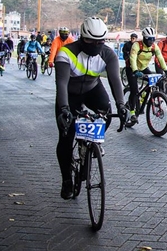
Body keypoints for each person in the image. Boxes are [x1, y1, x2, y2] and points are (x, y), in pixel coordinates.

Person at [54, 17, 127, 199]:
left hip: (92, 89)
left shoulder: (107, 54)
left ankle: (89, 148)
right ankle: (66, 180)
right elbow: (61, 83)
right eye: (91, 41)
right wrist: (64, 109)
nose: (96, 45)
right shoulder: (66, 52)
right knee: (66, 135)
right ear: (82, 38)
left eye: (101, 41)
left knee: (107, 113)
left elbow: (115, 80)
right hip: (69, 94)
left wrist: (122, 105)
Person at [128, 27, 167, 124]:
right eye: (149, 39)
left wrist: (166, 70)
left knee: (153, 81)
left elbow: (160, 58)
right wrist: (135, 71)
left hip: (143, 68)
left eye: (153, 39)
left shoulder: (154, 47)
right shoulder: (136, 45)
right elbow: (132, 58)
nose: (151, 41)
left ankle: (143, 97)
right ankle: (132, 112)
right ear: (144, 38)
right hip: (132, 69)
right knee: (134, 91)